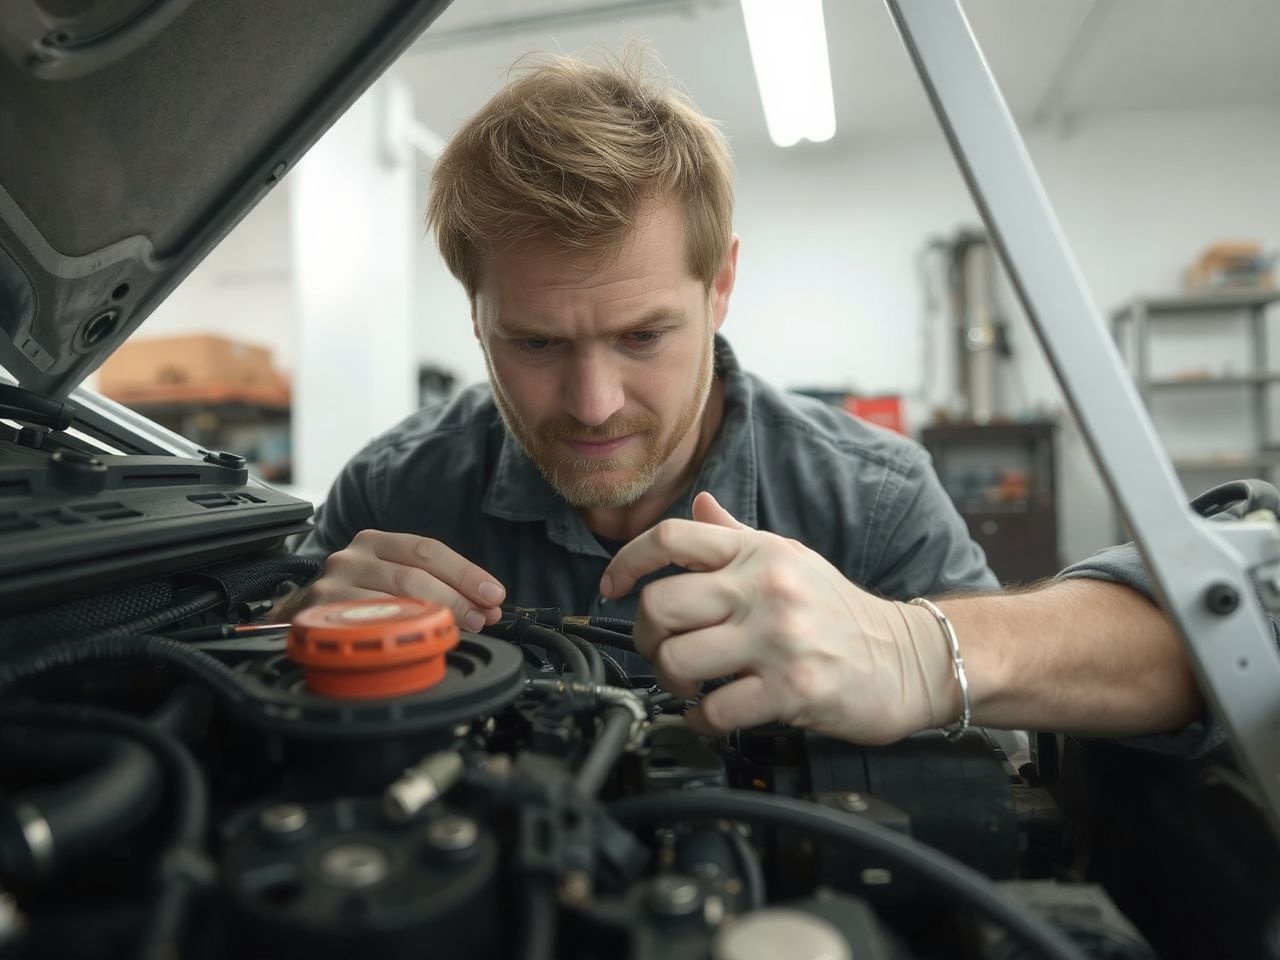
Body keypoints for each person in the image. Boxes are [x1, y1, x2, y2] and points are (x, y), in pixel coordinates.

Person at [284, 53, 1205, 749]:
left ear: (720, 285)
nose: (595, 403)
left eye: (643, 335)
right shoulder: (388, 497)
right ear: (476, 318)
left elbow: (1181, 663)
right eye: (536, 342)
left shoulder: (871, 497)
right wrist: (293, 647)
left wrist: (910, 650)